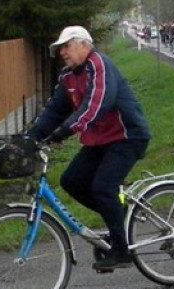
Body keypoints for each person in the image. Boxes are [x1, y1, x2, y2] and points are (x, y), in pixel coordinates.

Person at [27, 26, 151, 271]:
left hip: (127, 137)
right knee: (71, 181)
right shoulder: (68, 77)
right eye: (59, 48)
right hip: (100, 140)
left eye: (66, 46)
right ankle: (118, 218)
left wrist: (67, 129)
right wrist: (30, 137)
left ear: (84, 44)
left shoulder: (99, 65)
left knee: (103, 187)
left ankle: (121, 250)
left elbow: (96, 104)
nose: (62, 52)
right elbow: (53, 111)